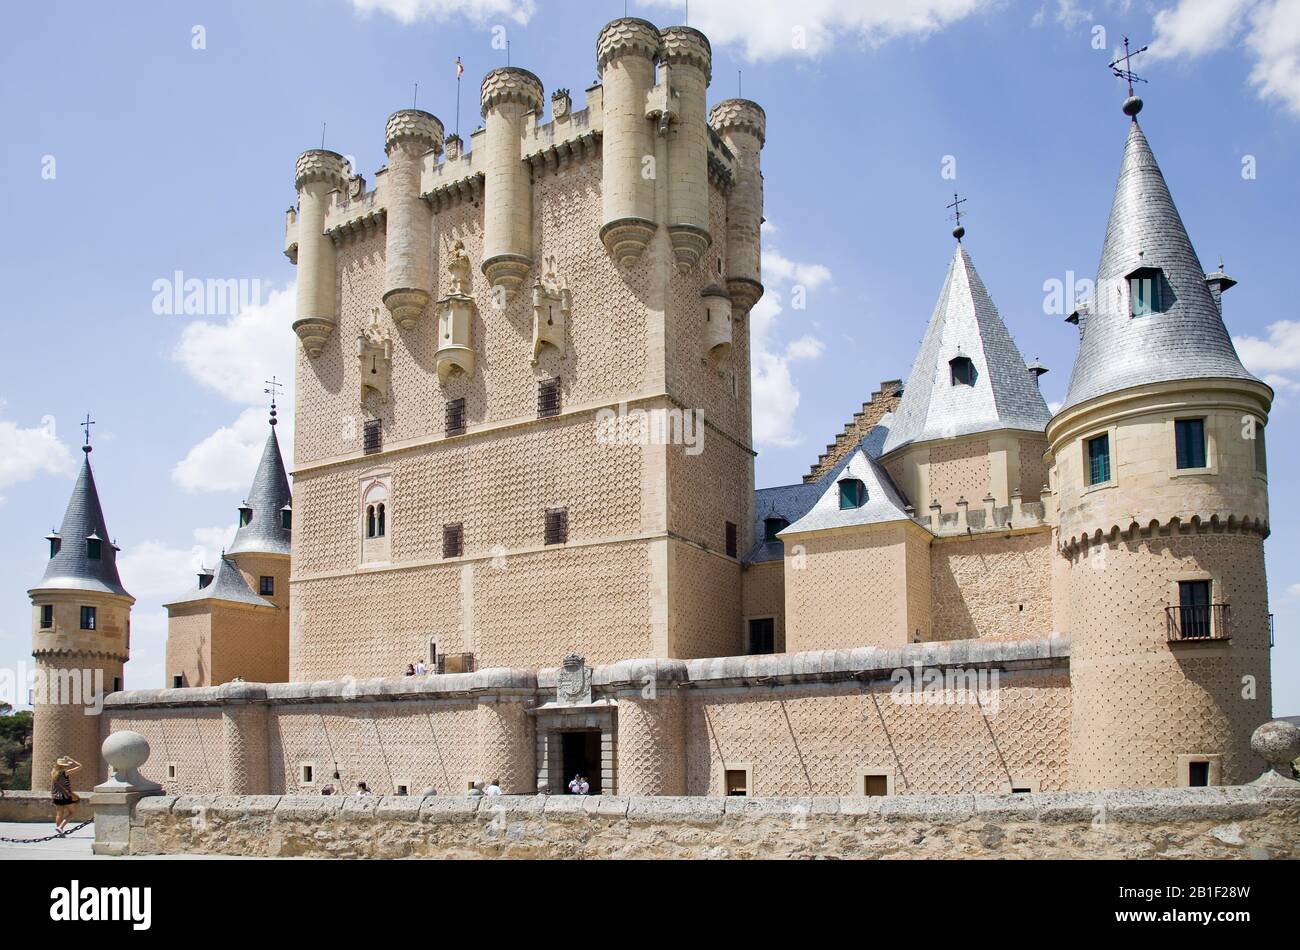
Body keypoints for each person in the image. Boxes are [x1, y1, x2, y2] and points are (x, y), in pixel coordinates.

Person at [51, 756, 81, 832]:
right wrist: (71, 759)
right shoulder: (65, 773)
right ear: (65, 766)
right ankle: (60, 827)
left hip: (56, 796)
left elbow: (60, 767)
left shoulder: (53, 772)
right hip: (65, 796)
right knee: (72, 812)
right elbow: (80, 766)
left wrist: (66, 763)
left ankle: (60, 831)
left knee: (59, 814)